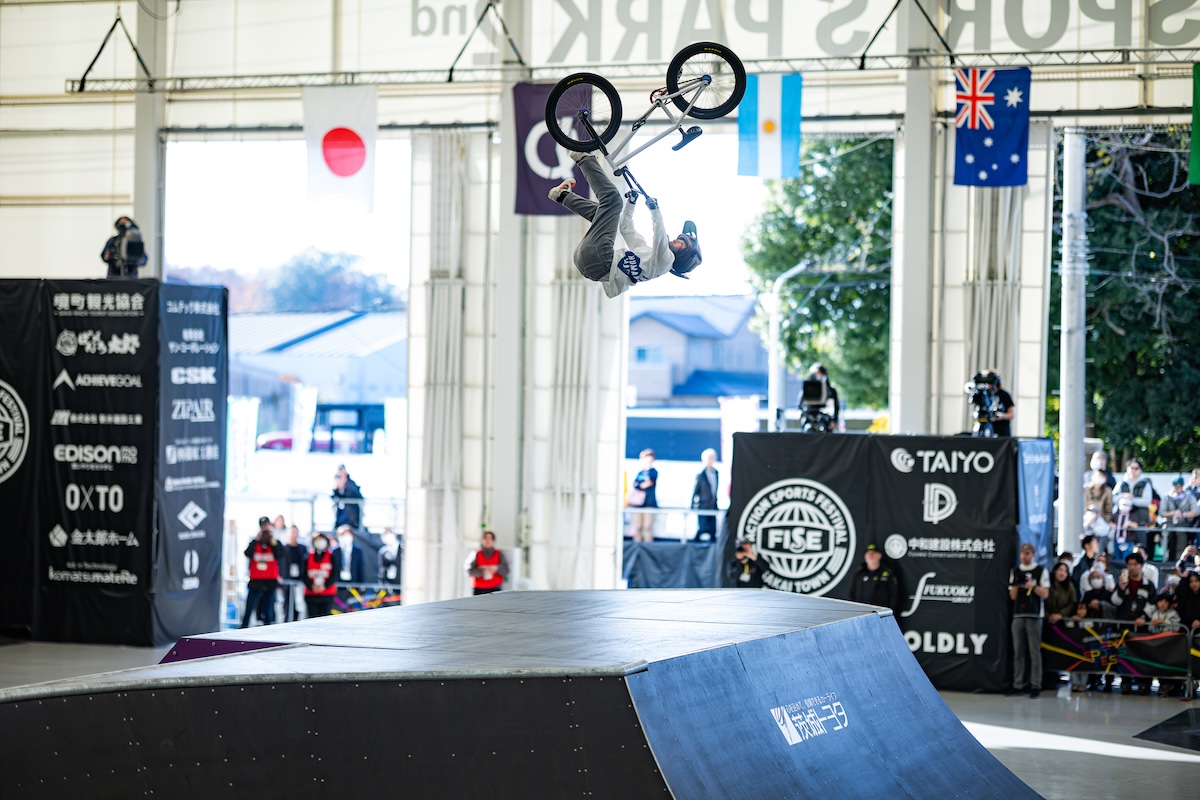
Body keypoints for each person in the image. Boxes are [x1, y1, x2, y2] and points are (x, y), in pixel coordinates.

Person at [549, 151, 701, 298]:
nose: (676, 240)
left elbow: (659, 238)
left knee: (613, 200)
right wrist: (631, 203)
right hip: (590, 263)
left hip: (600, 259)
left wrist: (655, 211)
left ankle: (584, 159)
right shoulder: (648, 258)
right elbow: (626, 228)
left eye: (681, 243)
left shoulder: (666, 262)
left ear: (683, 256)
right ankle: (562, 195)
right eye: (680, 239)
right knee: (603, 214)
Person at [1111, 552, 1156, 694]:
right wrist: (1121, 588)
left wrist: (1144, 618)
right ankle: (1125, 682)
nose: (1132, 567)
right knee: (1124, 654)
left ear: (1141, 566)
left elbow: (1152, 604)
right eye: (1129, 564)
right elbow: (1115, 602)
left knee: (1141, 655)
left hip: (1141, 628)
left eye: (1135, 564)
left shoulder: (1148, 585)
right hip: (1124, 627)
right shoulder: (1122, 583)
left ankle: (1143, 683)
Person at [1007, 542, 1049, 698]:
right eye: (1022, 553)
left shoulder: (1041, 570)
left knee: (1034, 652)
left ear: (1033, 554)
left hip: (1034, 615)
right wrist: (1017, 584)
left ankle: (1035, 685)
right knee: (1018, 652)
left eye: (1027, 553)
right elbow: (1012, 596)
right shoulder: (1015, 571)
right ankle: (1018, 684)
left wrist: (1032, 586)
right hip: (1018, 614)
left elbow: (1045, 594)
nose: (1024, 556)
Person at [241, 517, 284, 628]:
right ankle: (243, 628)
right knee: (249, 608)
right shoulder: (255, 542)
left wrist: (272, 540)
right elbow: (247, 553)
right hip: (256, 581)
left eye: (266, 525)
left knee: (268, 610)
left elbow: (280, 554)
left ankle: (268, 630)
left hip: (270, 581)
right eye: (262, 526)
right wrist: (257, 539)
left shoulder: (275, 542)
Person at [848, 543, 900, 612]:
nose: (870, 555)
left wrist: (889, 612)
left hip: (880, 614)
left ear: (879, 555)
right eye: (868, 553)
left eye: (873, 553)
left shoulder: (887, 573)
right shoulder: (859, 573)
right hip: (861, 613)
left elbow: (894, 594)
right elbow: (852, 593)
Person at [303, 532, 341, 618]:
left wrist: (325, 586)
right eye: (317, 540)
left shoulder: (331, 557)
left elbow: (335, 574)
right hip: (311, 594)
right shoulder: (308, 557)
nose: (320, 542)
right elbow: (303, 574)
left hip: (327, 593)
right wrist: (311, 586)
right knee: (312, 617)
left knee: (325, 617)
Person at [1160, 476, 1197, 560]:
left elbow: (1196, 511)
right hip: (1169, 523)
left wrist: (1183, 514)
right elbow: (1162, 512)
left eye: (1179, 486)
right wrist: (1173, 513)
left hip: (1183, 523)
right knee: (1167, 538)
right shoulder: (1167, 496)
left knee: (1181, 537)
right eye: (1175, 486)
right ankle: (1166, 559)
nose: (1177, 488)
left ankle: (1179, 559)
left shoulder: (1188, 496)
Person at [797, 364, 840, 431]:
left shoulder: (830, 391)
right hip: (809, 418)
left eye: (820, 375)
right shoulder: (806, 391)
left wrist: (833, 421)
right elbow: (799, 405)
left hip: (824, 420)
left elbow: (836, 407)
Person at [465, 530, 509, 595]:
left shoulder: (499, 554)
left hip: (496, 589)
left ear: (493, 541)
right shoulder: (476, 554)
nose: (488, 541)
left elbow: (506, 571)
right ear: (482, 540)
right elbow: (468, 571)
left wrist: (497, 568)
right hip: (479, 589)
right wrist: (482, 571)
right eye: (485, 538)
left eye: (490, 539)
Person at [690, 448, 720, 542]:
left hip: (713, 505)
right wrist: (692, 504)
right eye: (709, 458)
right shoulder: (701, 474)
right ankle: (694, 545)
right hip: (703, 505)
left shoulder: (716, 473)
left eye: (712, 458)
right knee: (702, 528)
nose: (711, 460)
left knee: (713, 530)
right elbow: (696, 490)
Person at [1113, 458, 1153, 526]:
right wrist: (1123, 496)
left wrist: (1131, 500)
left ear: (1140, 470)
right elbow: (1113, 498)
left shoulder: (1145, 485)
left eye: (1136, 468)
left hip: (1140, 519)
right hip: (1121, 520)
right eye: (1132, 468)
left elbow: (1147, 501)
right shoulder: (1121, 484)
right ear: (1127, 469)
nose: (1134, 470)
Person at [280, 525, 309, 622]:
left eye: (295, 532)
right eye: (292, 532)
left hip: (299, 581)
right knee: (287, 604)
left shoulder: (303, 548)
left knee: (298, 605)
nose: (294, 535)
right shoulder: (283, 549)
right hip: (287, 581)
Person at [630, 449, 659, 542]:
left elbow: (648, 483)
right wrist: (641, 485)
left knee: (647, 527)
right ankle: (637, 545)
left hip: (649, 503)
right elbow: (635, 484)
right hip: (638, 504)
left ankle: (648, 545)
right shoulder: (640, 473)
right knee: (637, 526)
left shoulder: (653, 471)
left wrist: (641, 485)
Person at [332, 465, 364, 531]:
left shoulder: (351, 484)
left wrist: (343, 486)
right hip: (341, 519)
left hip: (351, 519)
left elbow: (353, 495)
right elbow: (334, 498)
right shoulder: (339, 487)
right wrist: (336, 490)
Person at [984, 371, 1014, 437]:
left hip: (1002, 433)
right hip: (986, 431)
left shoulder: (1004, 395)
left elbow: (1011, 414)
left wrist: (1002, 416)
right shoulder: (985, 394)